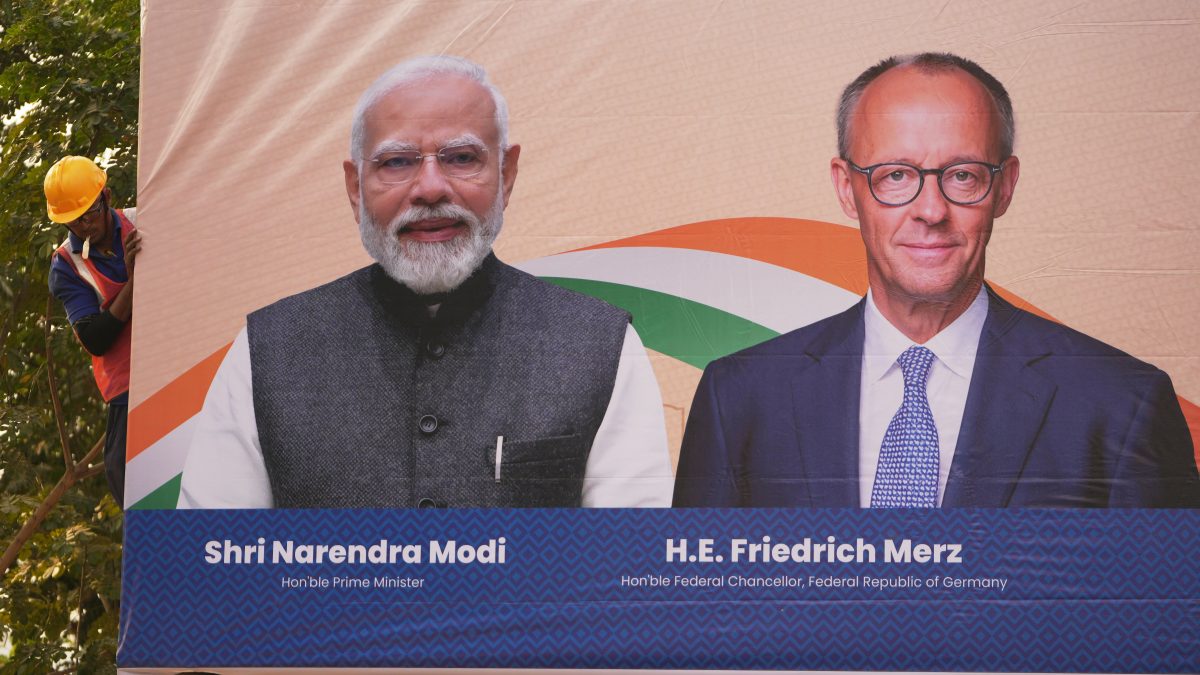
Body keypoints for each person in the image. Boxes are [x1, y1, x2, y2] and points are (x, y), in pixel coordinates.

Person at [673, 52, 1199, 509]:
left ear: (1006, 186)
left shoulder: (1122, 403)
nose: (930, 209)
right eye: (896, 175)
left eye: (963, 175)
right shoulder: (739, 397)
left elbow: (1165, 621)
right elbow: (697, 618)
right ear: (845, 187)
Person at [178, 55, 672, 508]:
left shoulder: (601, 347)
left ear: (507, 173)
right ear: (355, 188)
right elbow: (210, 580)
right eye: (397, 162)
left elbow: (628, 583)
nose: (431, 188)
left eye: (461, 158)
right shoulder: (267, 352)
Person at [45, 156, 142, 508]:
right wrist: (133, 283)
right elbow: (95, 339)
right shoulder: (66, 265)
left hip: (179, 363)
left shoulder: (145, 221)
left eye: (89, 213)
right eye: (73, 220)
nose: (84, 225)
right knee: (125, 473)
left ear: (108, 197)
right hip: (127, 387)